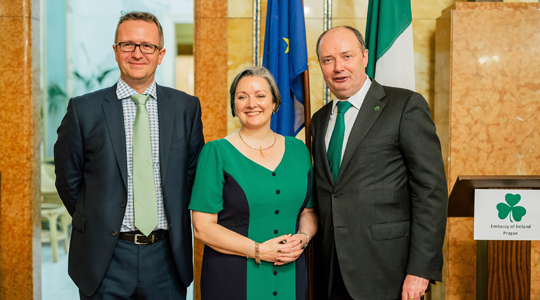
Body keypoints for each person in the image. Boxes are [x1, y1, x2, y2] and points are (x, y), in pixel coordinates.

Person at [54, 11, 204, 299]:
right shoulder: (83, 110)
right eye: (128, 45)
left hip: (166, 257)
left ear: (160, 54)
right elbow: (68, 181)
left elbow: (191, 174)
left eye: (147, 46)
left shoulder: (186, 108)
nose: (138, 53)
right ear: (115, 51)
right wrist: (101, 217)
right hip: (105, 258)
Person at [311, 26, 448, 300]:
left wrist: (420, 270)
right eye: (328, 60)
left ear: (365, 56)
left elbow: (430, 192)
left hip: (389, 272)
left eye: (346, 56)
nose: (338, 67)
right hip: (330, 270)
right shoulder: (319, 119)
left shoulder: (404, 106)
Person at [189, 66, 318, 300]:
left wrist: (303, 238)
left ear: (275, 102)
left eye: (260, 95)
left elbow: (309, 211)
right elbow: (202, 227)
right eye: (242, 97)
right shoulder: (216, 152)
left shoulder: (299, 150)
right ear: (234, 105)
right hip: (232, 278)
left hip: (291, 274)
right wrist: (258, 250)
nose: (251, 103)